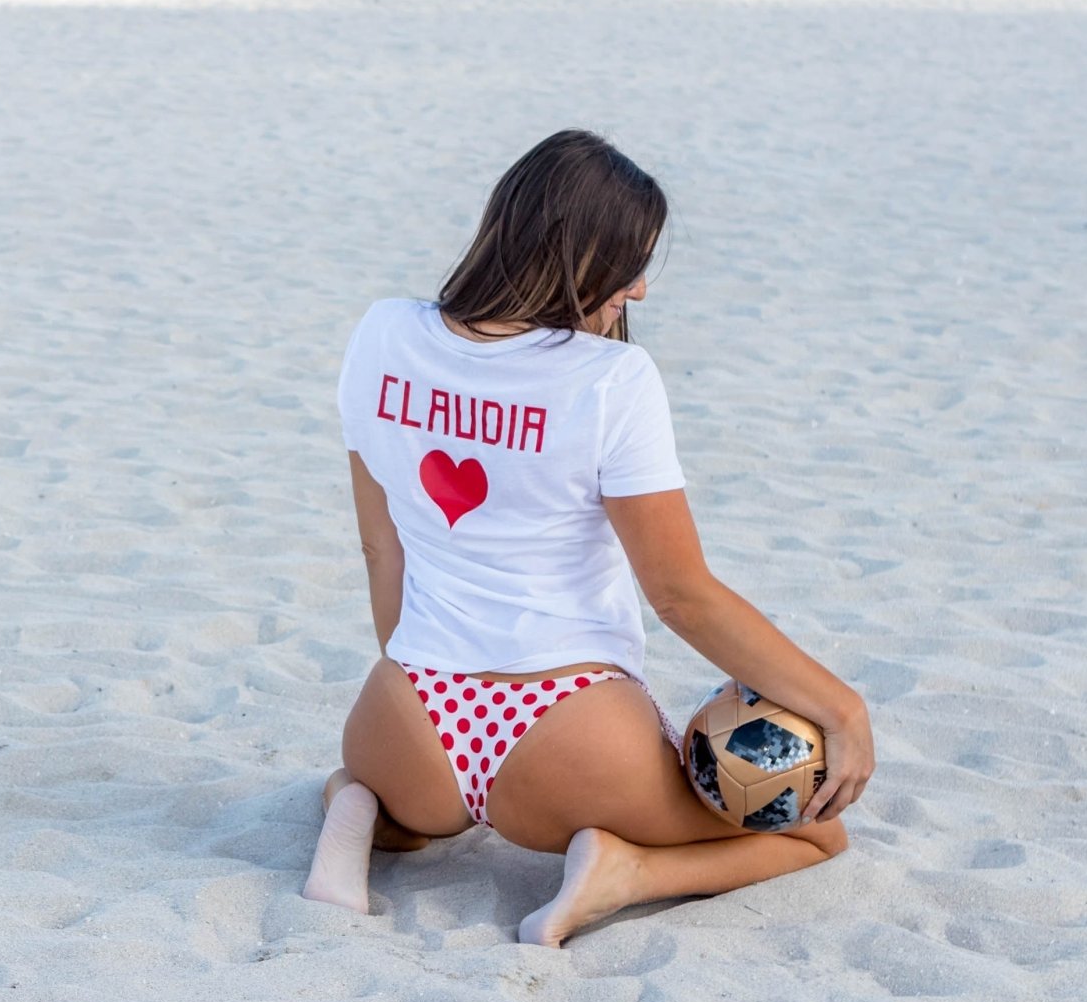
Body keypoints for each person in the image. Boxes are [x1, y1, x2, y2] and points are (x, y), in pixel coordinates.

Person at [302, 129, 875, 947]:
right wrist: (842, 707)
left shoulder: (382, 334)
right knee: (815, 834)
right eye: (628, 265)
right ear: (576, 255)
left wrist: (422, 681)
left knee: (393, 806)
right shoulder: (611, 380)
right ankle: (623, 872)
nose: (637, 289)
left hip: (405, 717)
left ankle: (358, 810)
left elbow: (380, 549)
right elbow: (680, 595)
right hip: (568, 725)